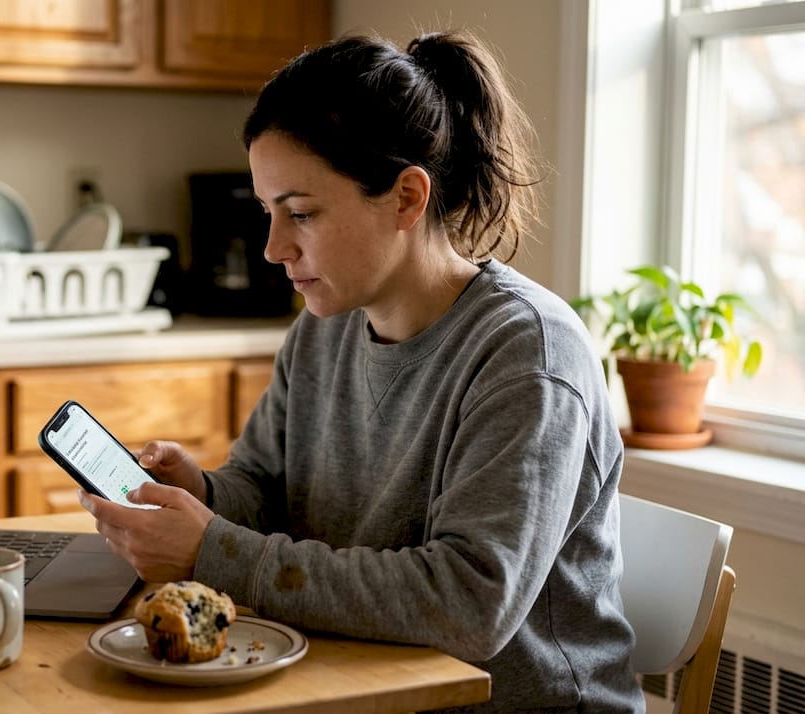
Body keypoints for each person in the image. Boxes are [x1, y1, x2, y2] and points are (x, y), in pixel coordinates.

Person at [77, 29, 644, 712]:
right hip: (365, 684)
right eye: (268, 213)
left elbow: (470, 605)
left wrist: (212, 551)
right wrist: (201, 491)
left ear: (407, 198)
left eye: (302, 214)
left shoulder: (529, 356)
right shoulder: (324, 327)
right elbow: (265, 489)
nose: (273, 248)